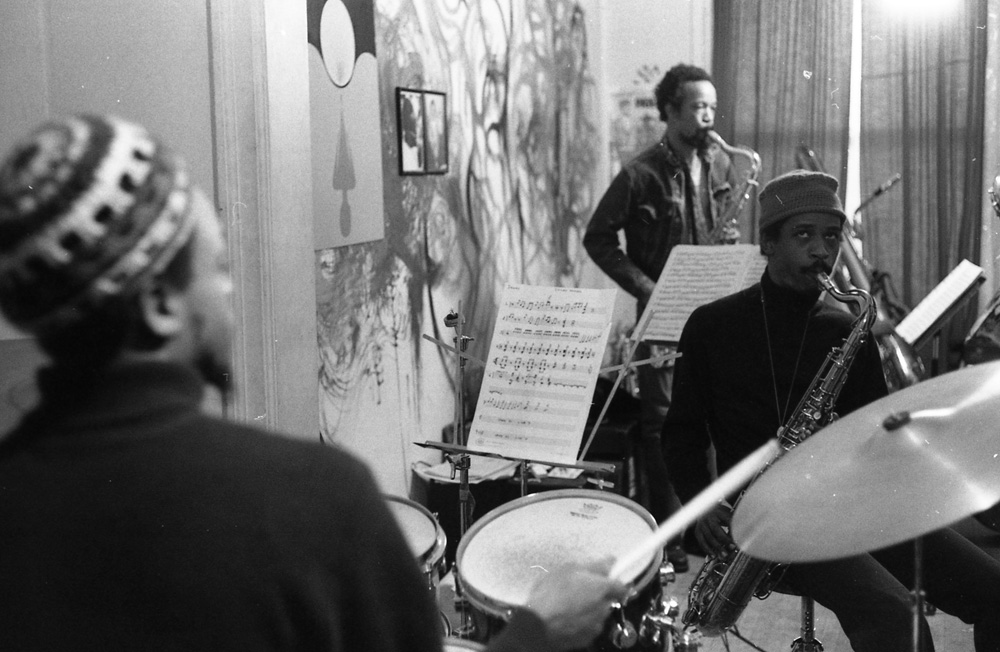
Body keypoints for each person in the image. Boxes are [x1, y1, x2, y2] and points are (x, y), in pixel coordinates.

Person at [0, 114, 626, 651]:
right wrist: (538, 632)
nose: (229, 293)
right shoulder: (316, 499)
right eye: (216, 268)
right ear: (162, 304)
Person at [663, 169, 1000, 651]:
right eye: (803, 235)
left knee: (993, 590)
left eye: (831, 236)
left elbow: (872, 432)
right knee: (895, 616)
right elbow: (681, 435)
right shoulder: (711, 326)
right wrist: (699, 504)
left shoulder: (847, 327)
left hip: (848, 503)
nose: (821, 251)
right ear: (767, 243)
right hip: (767, 523)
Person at [583, 63, 739, 571]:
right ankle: (670, 539)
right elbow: (598, 238)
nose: (709, 118)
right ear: (670, 111)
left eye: (712, 107)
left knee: (712, 420)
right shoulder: (639, 173)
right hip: (665, 312)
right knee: (663, 424)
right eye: (698, 107)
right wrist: (646, 287)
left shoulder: (719, 164)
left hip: (715, 310)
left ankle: (706, 533)